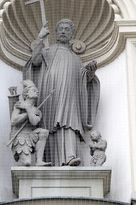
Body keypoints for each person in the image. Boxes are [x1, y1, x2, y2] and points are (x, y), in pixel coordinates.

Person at [23, 19, 100, 166]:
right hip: (50, 92)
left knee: (70, 122)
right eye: (61, 29)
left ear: (72, 33)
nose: (64, 31)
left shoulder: (76, 58)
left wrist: (90, 72)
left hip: (71, 95)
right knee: (50, 123)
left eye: (67, 29)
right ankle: (47, 158)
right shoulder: (48, 50)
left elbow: (83, 81)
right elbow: (35, 61)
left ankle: (70, 156)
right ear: (56, 32)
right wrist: (40, 38)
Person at [10, 79, 51, 166]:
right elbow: (13, 120)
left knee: (44, 132)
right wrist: (27, 112)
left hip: (31, 134)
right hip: (20, 135)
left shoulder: (37, 111)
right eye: (34, 90)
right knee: (27, 162)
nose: (37, 92)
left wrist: (28, 109)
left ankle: (39, 161)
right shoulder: (19, 104)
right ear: (26, 94)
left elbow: (34, 122)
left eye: (37, 91)